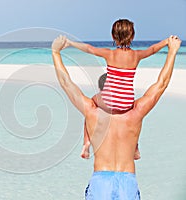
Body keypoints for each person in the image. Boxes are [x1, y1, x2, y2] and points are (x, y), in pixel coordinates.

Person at [52, 35, 181, 199]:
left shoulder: (92, 112)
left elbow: (66, 83)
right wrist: (172, 51)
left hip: (100, 182)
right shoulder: (136, 112)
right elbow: (161, 83)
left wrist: (56, 53)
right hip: (127, 182)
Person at [63, 19, 169, 158]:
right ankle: (135, 147)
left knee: (91, 104)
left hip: (108, 103)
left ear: (113, 36)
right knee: (138, 115)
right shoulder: (136, 55)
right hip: (126, 104)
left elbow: (89, 48)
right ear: (132, 36)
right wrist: (166, 41)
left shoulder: (110, 54)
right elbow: (153, 49)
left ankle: (86, 144)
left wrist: (70, 43)